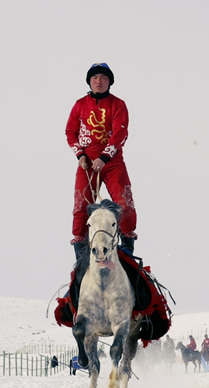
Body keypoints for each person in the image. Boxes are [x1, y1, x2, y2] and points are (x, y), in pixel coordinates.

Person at [66, 62, 138, 258]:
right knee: (81, 204)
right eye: (95, 78)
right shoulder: (80, 105)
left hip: (112, 160)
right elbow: (70, 132)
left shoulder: (118, 104)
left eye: (104, 78)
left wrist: (105, 157)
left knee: (123, 200)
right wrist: (80, 154)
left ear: (110, 82)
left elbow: (120, 132)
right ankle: (80, 252)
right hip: (87, 162)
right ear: (89, 81)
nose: (99, 81)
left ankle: (127, 248)